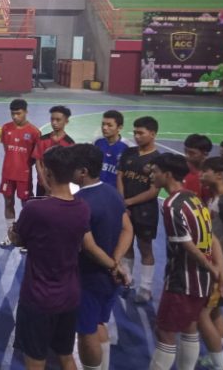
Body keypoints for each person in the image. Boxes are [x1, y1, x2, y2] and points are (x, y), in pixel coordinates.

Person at [10, 146, 90, 370]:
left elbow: (19, 239)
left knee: (35, 359)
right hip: (69, 295)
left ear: (47, 173)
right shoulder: (83, 208)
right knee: (66, 355)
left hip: (39, 297)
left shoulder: (35, 209)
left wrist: (13, 234)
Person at [148, 153, 221, 370]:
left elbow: (186, 244)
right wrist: (216, 270)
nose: (152, 175)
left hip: (182, 279)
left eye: (155, 171)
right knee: (189, 327)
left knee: (165, 332)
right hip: (202, 280)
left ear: (167, 174)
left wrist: (211, 268)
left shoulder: (172, 205)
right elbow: (212, 237)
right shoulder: (194, 198)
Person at [71, 144, 134, 370]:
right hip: (109, 279)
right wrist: (116, 262)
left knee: (86, 331)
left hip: (88, 278)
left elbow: (88, 246)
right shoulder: (112, 192)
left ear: (83, 171)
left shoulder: (79, 202)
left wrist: (111, 266)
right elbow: (127, 229)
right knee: (99, 323)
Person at [117, 116, 160, 304]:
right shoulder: (129, 153)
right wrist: (122, 202)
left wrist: (128, 202)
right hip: (125, 207)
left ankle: (146, 287)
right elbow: (120, 177)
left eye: (141, 133)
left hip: (145, 211)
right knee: (126, 245)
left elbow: (154, 190)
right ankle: (127, 280)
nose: (136, 136)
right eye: (135, 132)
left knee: (145, 247)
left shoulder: (158, 160)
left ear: (153, 134)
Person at [198, 157, 223, 370]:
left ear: (219, 175)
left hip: (222, 267)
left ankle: (219, 363)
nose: (200, 175)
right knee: (215, 311)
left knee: (201, 314)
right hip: (217, 264)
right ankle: (215, 353)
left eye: (205, 171)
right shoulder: (214, 198)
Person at [0, 98, 41, 249]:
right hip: (7, 174)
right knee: (8, 202)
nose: (15, 117)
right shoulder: (5, 128)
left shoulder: (34, 132)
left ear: (26, 112)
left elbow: (35, 157)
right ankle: (10, 234)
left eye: (19, 113)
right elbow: (6, 148)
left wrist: (23, 165)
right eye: (13, 114)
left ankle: (26, 236)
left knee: (26, 206)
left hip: (24, 175)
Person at [33, 105, 74, 197]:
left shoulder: (70, 144)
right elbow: (38, 163)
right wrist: (46, 186)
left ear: (66, 121)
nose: (54, 123)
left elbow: (70, 168)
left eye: (58, 120)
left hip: (61, 187)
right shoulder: (42, 140)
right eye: (52, 119)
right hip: (42, 185)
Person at [94, 110, 128, 189]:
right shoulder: (97, 142)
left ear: (120, 127)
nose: (104, 128)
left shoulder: (127, 147)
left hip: (115, 192)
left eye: (109, 125)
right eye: (103, 124)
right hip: (97, 188)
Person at [183, 134, 213, 201]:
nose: (187, 155)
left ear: (205, 154)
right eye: (185, 151)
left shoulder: (210, 176)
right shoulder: (180, 168)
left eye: (192, 153)